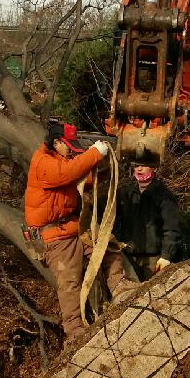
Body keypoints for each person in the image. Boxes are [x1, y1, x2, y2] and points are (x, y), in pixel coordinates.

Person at [24, 120, 125, 341]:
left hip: (72, 227)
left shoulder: (62, 159)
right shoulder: (42, 162)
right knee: (69, 282)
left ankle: (121, 287)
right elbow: (66, 173)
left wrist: (103, 164)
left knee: (107, 244)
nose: (72, 149)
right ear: (57, 142)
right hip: (53, 235)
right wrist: (93, 154)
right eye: (68, 145)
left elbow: (85, 179)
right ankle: (74, 332)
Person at [113, 163, 183, 281]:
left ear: (153, 168)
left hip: (154, 260)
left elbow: (172, 228)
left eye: (144, 165)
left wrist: (166, 256)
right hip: (129, 258)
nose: (139, 169)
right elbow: (105, 210)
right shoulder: (125, 194)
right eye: (136, 166)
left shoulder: (164, 196)